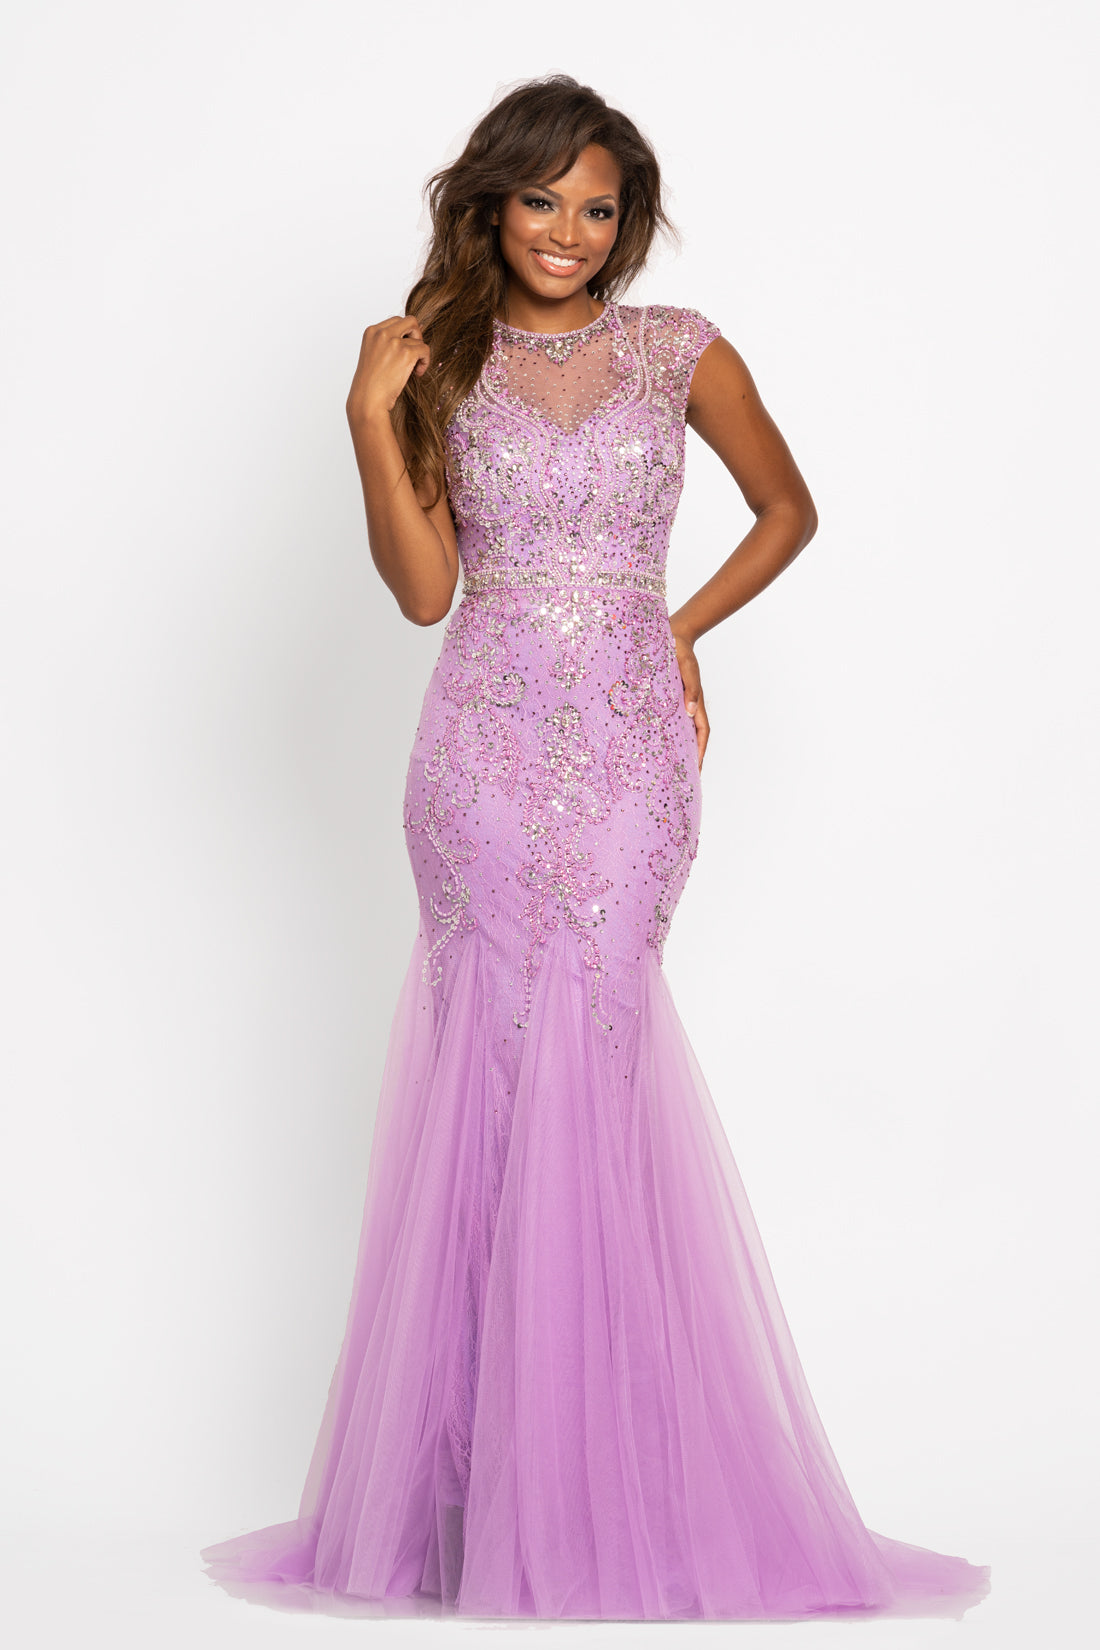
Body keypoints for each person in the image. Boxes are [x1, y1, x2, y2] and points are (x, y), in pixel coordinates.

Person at [200, 74, 990, 1622]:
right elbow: (425, 592)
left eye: (599, 206)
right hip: (478, 760)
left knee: (598, 1056)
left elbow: (786, 508)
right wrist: (366, 418)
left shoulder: (678, 349)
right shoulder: (434, 360)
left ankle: (608, 1492)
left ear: (628, 223)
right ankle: (469, 1507)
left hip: (630, 753)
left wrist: (674, 630)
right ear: (489, 204)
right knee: (490, 1078)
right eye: (541, 199)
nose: (568, 230)